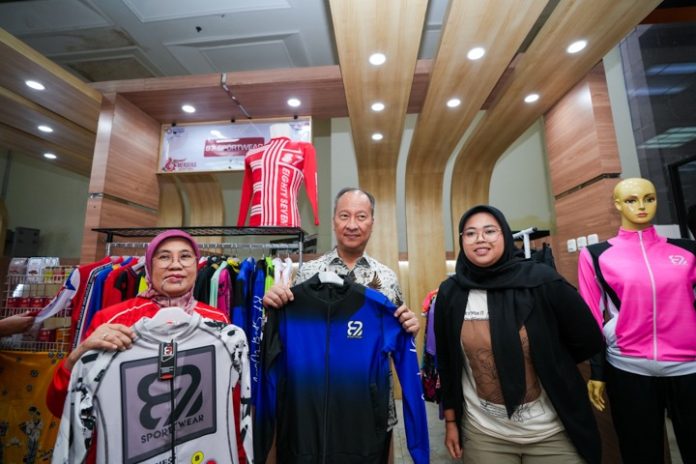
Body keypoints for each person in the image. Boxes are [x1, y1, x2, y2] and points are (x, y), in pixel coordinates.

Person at [45, 230, 235, 461]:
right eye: (164, 256)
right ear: (149, 266)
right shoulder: (112, 320)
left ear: (196, 265)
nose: (176, 264)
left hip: (194, 452)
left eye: (185, 256)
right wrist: (78, 355)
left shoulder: (216, 321)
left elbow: (229, 403)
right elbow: (60, 406)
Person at [435, 205, 603, 464]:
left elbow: (587, 338)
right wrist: (451, 421)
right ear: (462, 241)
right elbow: (447, 363)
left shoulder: (542, 281)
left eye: (489, 231)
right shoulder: (451, 292)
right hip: (485, 434)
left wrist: (553, 359)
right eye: (470, 233)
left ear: (504, 234)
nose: (480, 238)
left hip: (551, 431)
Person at [262, 187, 421, 459]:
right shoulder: (309, 272)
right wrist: (272, 305)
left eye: (361, 216)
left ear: (372, 223)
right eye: (344, 216)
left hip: (370, 406)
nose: (352, 225)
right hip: (315, 404)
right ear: (334, 220)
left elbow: (396, 337)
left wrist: (410, 329)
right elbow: (287, 334)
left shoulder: (387, 278)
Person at [578, 177, 696, 463]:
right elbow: (590, 317)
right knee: (641, 455)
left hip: (690, 367)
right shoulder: (596, 255)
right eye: (631, 200)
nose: (642, 206)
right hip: (629, 368)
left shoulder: (688, 251)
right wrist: (597, 372)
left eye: (649, 198)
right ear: (618, 204)